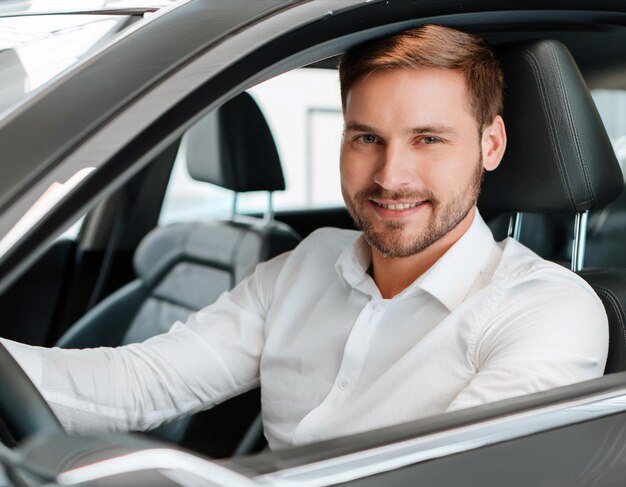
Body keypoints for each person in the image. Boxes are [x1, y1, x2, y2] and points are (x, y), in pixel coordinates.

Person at [1, 24, 608, 451]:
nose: (391, 175)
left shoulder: (545, 311)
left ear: (491, 145)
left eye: (429, 138)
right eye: (366, 138)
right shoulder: (304, 265)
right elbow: (144, 382)